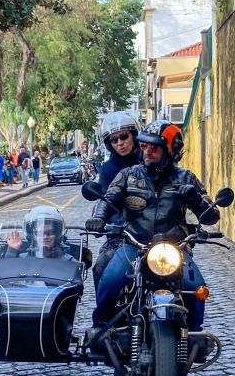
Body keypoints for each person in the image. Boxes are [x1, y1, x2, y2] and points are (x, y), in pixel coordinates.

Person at [85, 120, 220, 331]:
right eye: (144, 145)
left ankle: (194, 334)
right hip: (133, 245)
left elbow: (211, 216)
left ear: (170, 150)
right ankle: (101, 326)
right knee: (110, 280)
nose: (147, 151)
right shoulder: (128, 175)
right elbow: (107, 200)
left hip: (175, 247)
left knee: (196, 288)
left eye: (154, 146)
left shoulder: (185, 177)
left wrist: (195, 198)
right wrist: (99, 219)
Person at [88, 110, 143, 291]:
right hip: (123, 234)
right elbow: (106, 200)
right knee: (101, 268)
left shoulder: (150, 159)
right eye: (114, 140)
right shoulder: (107, 170)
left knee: (188, 274)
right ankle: (102, 319)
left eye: (124, 136)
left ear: (134, 134)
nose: (120, 143)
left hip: (157, 230)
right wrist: (101, 219)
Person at [4, 205, 74, 260]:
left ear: (57, 234)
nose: (45, 237)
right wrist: (12, 250)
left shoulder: (69, 262)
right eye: (39, 233)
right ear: (32, 235)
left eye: (49, 233)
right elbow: (5, 272)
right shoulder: (23, 259)